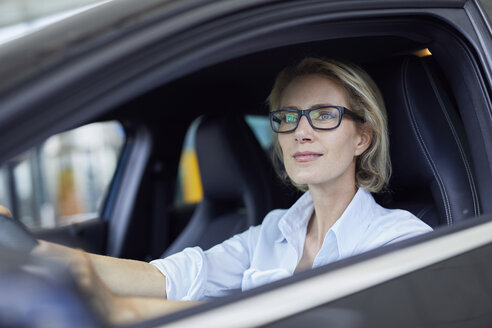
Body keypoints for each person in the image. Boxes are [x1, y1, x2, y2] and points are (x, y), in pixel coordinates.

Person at [32, 57, 432, 323]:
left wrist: (123, 312)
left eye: (324, 115)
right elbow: (174, 277)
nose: (301, 132)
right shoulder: (275, 229)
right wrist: (41, 253)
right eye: (288, 117)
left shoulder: (401, 240)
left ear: (363, 137)